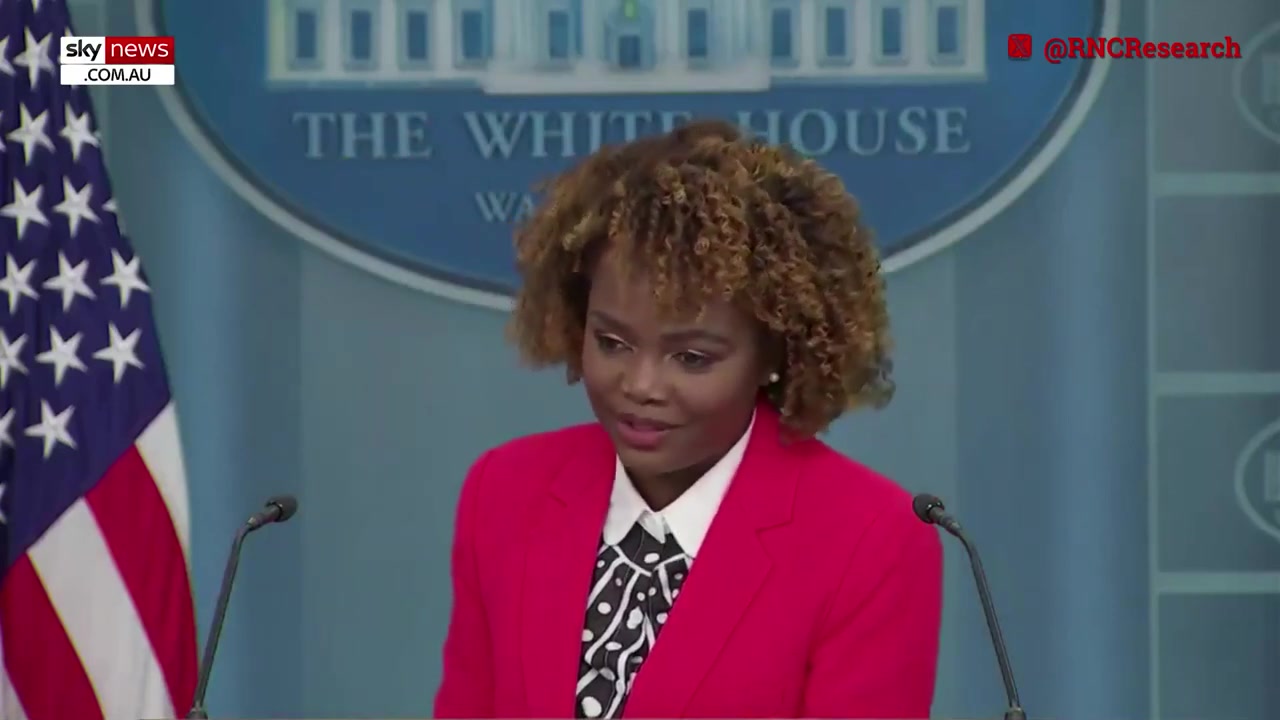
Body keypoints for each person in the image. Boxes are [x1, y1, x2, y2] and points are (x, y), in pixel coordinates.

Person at [433, 119, 943, 720]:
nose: (641, 386)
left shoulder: (870, 541)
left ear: (774, 353)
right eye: (613, 343)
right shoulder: (505, 492)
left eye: (692, 358)